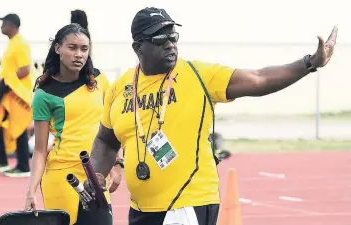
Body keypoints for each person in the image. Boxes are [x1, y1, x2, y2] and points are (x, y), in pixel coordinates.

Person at [85, 7, 338, 225]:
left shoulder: (200, 75)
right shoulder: (121, 87)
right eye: (161, 38)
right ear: (138, 47)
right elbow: (107, 140)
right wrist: (97, 173)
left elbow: (258, 78)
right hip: (141, 208)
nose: (171, 43)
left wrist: (309, 63)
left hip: (187, 203)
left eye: (173, 35)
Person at [24, 23, 123, 225]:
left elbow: (113, 127)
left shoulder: (98, 80)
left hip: (96, 174)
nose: (79, 54)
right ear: (58, 48)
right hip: (62, 176)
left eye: (84, 49)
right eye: (72, 47)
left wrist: (117, 163)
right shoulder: (44, 94)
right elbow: (41, 150)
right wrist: (31, 190)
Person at [0, 13, 32, 178]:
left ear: (11, 25)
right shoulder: (13, 43)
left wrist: (7, 83)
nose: (1, 26)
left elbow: (25, 69)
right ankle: (1, 160)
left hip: (16, 94)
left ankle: (23, 166)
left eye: (3, 23)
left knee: (19, 128)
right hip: (8, 93)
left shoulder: (20, 44)